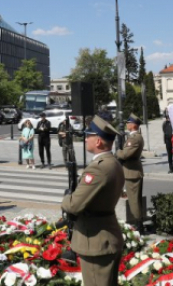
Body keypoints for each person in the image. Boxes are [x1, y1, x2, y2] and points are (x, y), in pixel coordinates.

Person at [61, 115, 125, 286]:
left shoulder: (99, 168)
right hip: (104, 236)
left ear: (97, 141)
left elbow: (74, 205)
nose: (85, 140)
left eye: (87, 136)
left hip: (96, 241)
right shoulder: (112, 162)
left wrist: (66, 197)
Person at [116, 114, 145, 231]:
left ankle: (138, 225)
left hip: (131, 172)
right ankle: (139, 222)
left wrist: (118, 151)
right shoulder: (135, 137)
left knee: (133, 200)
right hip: (132, 171)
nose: (127, 124)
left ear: (133, 125)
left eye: (128, 122)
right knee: (135, 200)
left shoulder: (134, 138)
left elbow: (125, 154)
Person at [162, 110, 173, 174]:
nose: (168, 118)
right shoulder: (165, 124)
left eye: (169, 117)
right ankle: (171, 168)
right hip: (168, 141)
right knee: (169, 155)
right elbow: (164, 131)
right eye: (167, 117)